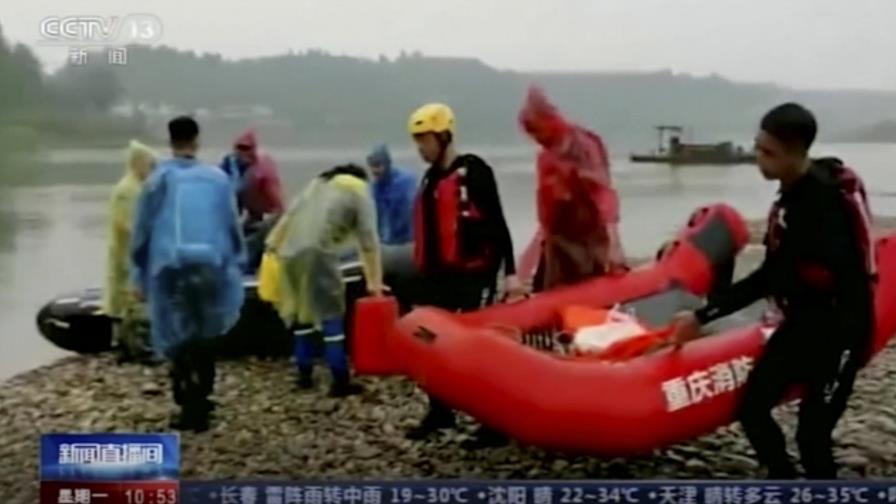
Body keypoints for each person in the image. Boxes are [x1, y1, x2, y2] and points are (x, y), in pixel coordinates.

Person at [670, 103, 875, 479]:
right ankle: (783, 481)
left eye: (768, 153)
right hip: (803, 323)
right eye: (758, 146)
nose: (757, 159)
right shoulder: (791, 193)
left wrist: (703, 316)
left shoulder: (819, 206)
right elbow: (777, 274)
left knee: (812, 435)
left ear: (796, 152)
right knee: (752, 409)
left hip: (842, 330)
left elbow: (771, 277)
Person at [405, 102, 526, 448]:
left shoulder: (474, 172)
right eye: (417, 141)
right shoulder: (431, 180)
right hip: (440, 277)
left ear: (443, 136)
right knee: (427, 341)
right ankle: (440, 410)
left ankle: (494, 423)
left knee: (480, 350)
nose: (421, 148)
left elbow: (499, 222)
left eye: (425, 140)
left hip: (475, 275)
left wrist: (512, 274)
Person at [131, 116, 246, 432]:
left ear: (170, 141)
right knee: (205, 330)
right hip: (211, 264)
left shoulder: (158, 179)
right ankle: (204, 396)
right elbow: (231, 225)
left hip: (170, 267)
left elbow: (142, 231)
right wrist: (237, 261)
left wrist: (136, 274)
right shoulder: (218, 178)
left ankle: (189, 406)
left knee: (176, 334)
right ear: (196, 140)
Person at [265, 163, 386, 397]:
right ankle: (340, 379)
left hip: (288, 251)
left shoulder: (317, 185)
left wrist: (272, 246)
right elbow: (369, 241)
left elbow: (290, 215)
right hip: (318, 252)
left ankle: (304, 374)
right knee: (332, 315)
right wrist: (375, 283)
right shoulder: (359, 190)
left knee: (302, 313)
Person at [518, 86, 626, 290]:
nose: (537, 139)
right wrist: (528, 262)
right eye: (531, 135)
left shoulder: (582, 146)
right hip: (558, 242)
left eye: (537, 130)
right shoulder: (546, 157)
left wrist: (614, 243)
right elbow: (546, 216)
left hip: (590, 238)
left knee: (592, 285)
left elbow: (603, 194)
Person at [103, 140, 157, 363]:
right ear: (138, 164)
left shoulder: (136, 187)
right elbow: (129, 224)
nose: (151, 170)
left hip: (131, 252)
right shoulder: (128, 190)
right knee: (131, 299)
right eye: (149, 165)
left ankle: (126, 347)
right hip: (127, 251)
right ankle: (137, 348)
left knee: (128, 299)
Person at [220, 128, 285, 271]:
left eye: (247, 148)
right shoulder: (231, 166)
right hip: (249, 213)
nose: (243, 153)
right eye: (240, 148)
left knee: (258, 239)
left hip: (269, 216)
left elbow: (279, 207)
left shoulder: (263, 171)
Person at [366, 144, 417, 245]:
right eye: (372, 166)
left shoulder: (403, 182)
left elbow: (407, 217)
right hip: (389, 241)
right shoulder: (376, 187)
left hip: (408, 241)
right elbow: (378, 218)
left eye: (378, 166)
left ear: (387, 164)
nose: (374, 171)